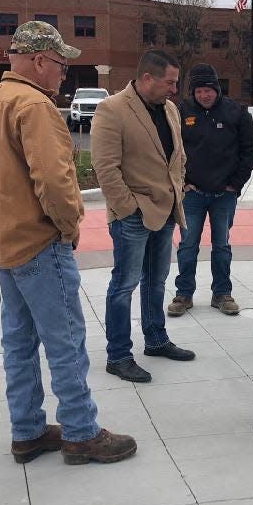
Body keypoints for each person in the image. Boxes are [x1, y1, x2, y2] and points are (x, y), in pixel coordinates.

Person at [0, 20, 136, 465]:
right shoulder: (34, 106)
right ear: (39, 61)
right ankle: (81, 433)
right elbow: (56, 182)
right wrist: (67, 227)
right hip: (39, 243)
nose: (64, 74)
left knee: (18, 344)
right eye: (61, 65)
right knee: (65, 342)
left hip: (5, 243)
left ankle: (27, 431)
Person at [90, 50, 194, 383]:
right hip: (132, 216)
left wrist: (178, 186)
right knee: (124, 285)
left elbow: (177, 155)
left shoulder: (171, 110)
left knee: (156, 280)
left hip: (166, 212)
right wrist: (127, 209)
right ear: (147, 78)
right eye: (170, 82)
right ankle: (118, 355)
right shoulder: (112, 110)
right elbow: (105, 168)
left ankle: (156, 339)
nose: (174, 89)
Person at [167, 64, 253, 317]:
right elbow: (170, 151)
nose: (204, 95)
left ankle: (222, 294)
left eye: (208, 90)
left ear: (217, 89)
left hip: (223, 195)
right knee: (187, 246)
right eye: (199, 91)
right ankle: (183, 294)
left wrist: (234, 184)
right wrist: (182, 182)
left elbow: (249, 151)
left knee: (221, 246)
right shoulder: (180, 112)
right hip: (192, 194)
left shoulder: (236, 112)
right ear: (193, 92)